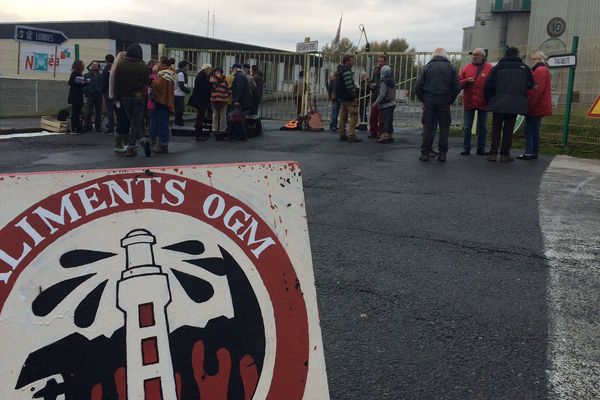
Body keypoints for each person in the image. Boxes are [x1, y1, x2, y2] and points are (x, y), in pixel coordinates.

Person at [484, 46, 533, 162]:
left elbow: (488, 85)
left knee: (496, 129)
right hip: (515, 104)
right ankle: (505, 154)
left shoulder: (497, 68)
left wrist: (490, 100)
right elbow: (530, 84)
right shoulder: (524, 68)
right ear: (517, 55)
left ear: (505, 55)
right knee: (508, 129)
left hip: (498, 102)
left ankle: (493, 153)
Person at [415, 48, 461, 161]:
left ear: (433, 56)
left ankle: (425, 153)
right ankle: (442, 154)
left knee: (428, 127)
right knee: (444, 128)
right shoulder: (451, 68)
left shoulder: (427, 67)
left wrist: (424, 99)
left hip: (429, 101)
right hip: (444, 101)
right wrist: (450, 99)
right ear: (445, 56)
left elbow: (418, 87)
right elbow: (456, 87)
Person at [112, 43, 149, 157]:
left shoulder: (121, 64)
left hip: (124, 97)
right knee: (135, 122)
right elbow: (146, 82)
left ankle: (140, 142)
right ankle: (133, 146)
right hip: (138, 97)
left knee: (133, 121)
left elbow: (116, 82)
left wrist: (117, 97)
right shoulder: (143, 66)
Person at [519, 51, 552, 160]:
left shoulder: (539, 70)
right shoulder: (543, 70)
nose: (532, 62)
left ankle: (530, 152)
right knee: (534, 129)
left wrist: (529, 105)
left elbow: (536, 90)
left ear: (539, 59)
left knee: (530, 129)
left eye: (534, 59)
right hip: (539, 105)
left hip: (536, 106)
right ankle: (533, 152)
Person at [459, 48, 492, 155]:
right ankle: (466, 148)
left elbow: (493, 83)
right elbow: (459, 84)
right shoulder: (466, 68)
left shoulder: (489, 68)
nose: (473, 56)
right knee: (468, 126)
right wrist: (466, 81)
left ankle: (481, 149)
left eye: (476, 54)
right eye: (473, 54)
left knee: (483, 127)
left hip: (483, 101)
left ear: (482, 56)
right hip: (469, 101)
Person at [151, 58, 176, 153]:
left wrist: (152, 81)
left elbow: (159, 87)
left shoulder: (165, 75)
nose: (158, 64)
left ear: (164, 64)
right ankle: (163, 143)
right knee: (163, 123)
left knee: (163, 124)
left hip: (162, 102)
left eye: (159, 62)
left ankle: (163, 144)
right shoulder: (168, 73)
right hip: (165, 101)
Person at [336, 54, 361, 142]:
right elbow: (349, 85)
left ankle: (342, 134)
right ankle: (352, 135)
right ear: (347, 61)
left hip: (342, 97)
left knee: (343, 116)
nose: (353, 62)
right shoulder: (347, 71)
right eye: (352, 61)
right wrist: (354, 94)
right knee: (354, 115)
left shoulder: (340, 70)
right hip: (348, 97)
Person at [371, 65, 396, 143]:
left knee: (384, 121)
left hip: (385, 104)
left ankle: (384, 136)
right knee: (389, 120)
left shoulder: (383, 81)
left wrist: (375, 103)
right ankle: (390, 134)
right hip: (392, 103)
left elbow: (382, 94)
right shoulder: (392, 80)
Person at [189, 63, 213, 141]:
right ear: (206, 69)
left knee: (200, 117)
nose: (210, 71)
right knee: (200, 117)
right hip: (201, 99)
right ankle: (199, 135)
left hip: (201, 99)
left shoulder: (202, 75)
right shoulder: (202, 76)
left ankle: (199, 134)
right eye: (210, 69)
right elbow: (204, 88)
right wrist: (211, 84)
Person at [109, 52, 127, 152]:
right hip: (119, 98)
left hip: (116, 98)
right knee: (122, 120)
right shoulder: (118, 70)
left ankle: (122, 143)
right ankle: (120, 144)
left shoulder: (114, 69)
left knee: (122, 120)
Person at [230, 63, 252, 141]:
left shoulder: (239, 76)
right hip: (243, 101)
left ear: (235, 68)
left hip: (240, 102)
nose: (231, 70)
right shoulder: (241, 75)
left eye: (232, 68)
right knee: (238, 118)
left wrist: (237, 100)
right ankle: (240, 135)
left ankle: (241, 135)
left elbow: (239, 89)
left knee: (237, 118)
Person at [210, 67, 231, 139]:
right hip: (214, 100)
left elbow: (229, 89)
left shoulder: (225, 79)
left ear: (222, 73)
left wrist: (226, 95)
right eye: (216, 72)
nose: (218, 73)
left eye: (219, 72)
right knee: (215, 115)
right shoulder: (212, 79)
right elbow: (211, 88)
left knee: (223, 115)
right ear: (214, 73)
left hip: (223, 100)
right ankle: (214, 129)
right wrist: (215, 81)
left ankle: (222, 129)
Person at [369, 55, 387, 139]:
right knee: (373, 116)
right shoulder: (375, 70)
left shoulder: (388, 71)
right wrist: (371, 85)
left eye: (381, 61)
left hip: (383, 98)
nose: (380, 63)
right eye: (379, 61)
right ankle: (373, 132)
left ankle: (381, 133)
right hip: (375, 96)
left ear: (385, 62)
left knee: (382, 118)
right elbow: (371, 81)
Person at [67, 60, 87, 134]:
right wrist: (81, 83)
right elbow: (70, 82)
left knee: (77, 112)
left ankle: (77, 126)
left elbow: (79, 84)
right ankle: (75, 127)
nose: (83, 66)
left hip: (78, 94)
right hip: (75, 95)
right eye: (82, 64)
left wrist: (85, 83)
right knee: (75, 112)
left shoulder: (79, 73)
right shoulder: (75, 73)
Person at [83, 61, 103, 132]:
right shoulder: (86, 75)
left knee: (99, 112)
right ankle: (86, 126)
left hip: (99, 95)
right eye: (92, 65)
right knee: (88, 111)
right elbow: (83, 85)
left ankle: (98, 127)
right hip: (90, 95)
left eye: (95, 65)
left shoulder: (101, 75)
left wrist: (100, 90)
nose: (93, 66)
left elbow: (102, 84)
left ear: (98, 67)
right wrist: (87, 91)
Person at [100, 54, 115, 133]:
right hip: (116, 91)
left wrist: (103, 90)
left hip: (108, 92)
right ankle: (117, 126)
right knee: (117, 110)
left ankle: (110, 127)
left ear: (106, 60)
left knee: (110, 110)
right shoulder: (115, 67)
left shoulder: (106, 69)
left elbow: (104, 81)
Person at [174, 60, 191, 126]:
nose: (188, 67)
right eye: (187, 66)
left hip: (177, 94)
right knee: (179, 111)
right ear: (184, 66)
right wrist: (188, 91)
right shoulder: (181, 73)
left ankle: (178, 123)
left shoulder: (178, 72)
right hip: (179, 95)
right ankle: (178, 124)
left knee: (178, 111)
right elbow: (181, 85)